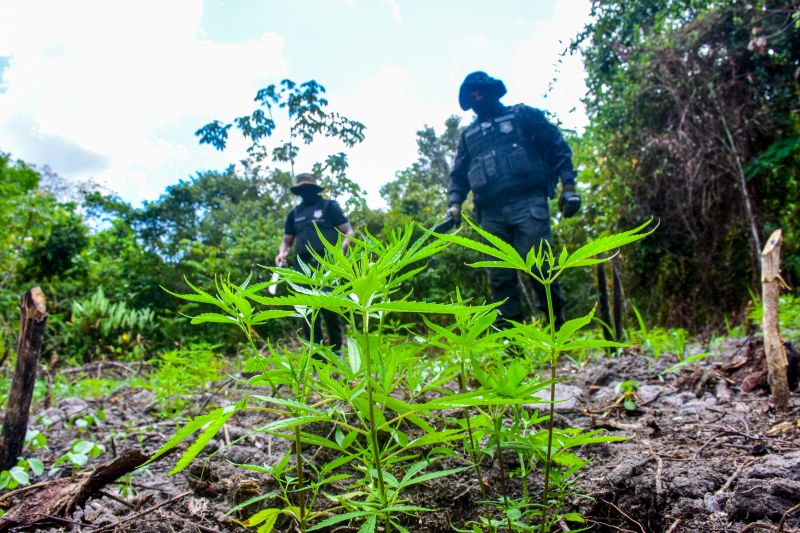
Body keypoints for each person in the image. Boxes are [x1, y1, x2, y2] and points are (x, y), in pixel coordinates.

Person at [446, 71, 581, 329]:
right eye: (471, 95)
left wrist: (569, 187)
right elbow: (459, 176)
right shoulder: (469, 137)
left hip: (529, 204)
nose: (477, 97)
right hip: (490, 214)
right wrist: (454, 204)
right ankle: (511, 343)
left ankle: (556, 327)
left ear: (493, 91)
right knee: (499, 277)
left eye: (480, 91)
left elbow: (557, 147)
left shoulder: (522, 116)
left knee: (541, 267)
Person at [275, 173, 355, 352]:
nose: (306, 192)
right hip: (302, 267)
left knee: (330, 309)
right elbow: (287, 241)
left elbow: (349, 232)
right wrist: (282, 254)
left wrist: (341, 250)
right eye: (302, 190)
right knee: (307, 315)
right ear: (298, 191)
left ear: (314, 189)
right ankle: (316, 360)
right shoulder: (294, 214)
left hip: (327, 265)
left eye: (308, 189)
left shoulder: (329, 206)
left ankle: (337, 355)